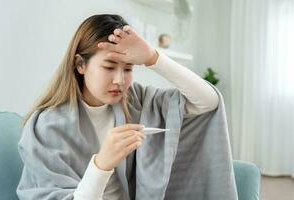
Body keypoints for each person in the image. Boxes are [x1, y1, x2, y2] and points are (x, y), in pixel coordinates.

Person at [16, 14, 221, 200]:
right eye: (109, 67)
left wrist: (152, 57)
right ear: (80, 65)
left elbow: (208, 101)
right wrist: (101, 165)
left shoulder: (137, 101)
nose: (119, 80)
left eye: (128, 68)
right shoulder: (47, 127)